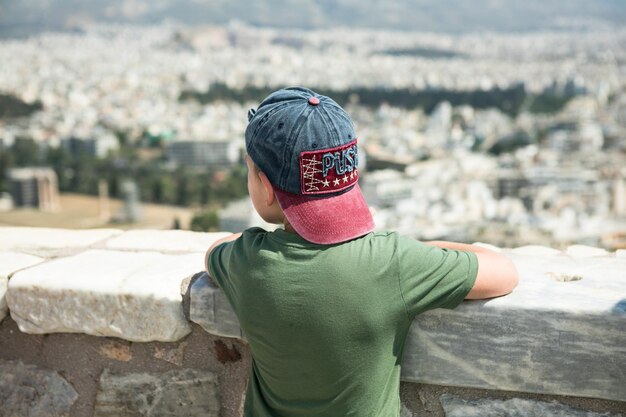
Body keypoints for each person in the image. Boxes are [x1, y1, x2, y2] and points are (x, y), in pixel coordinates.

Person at [205, 87, 519, 417]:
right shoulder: (391, 262)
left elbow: (214, 250)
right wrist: (418, 250)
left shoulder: (246, 261)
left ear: (267, 188)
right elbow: (503, 272)